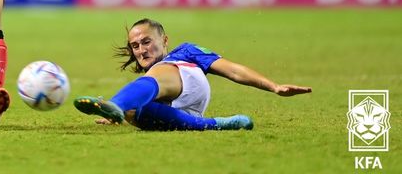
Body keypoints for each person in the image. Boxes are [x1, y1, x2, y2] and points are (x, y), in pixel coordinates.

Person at [74, 18, 312, 131]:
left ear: (164, 40)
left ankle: (115, 104)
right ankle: (217, 124)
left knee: (153, 77)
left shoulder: (184, 52)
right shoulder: (151, 74)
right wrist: (121, 113)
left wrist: (274, 86)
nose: (141, 50)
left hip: (188, 80)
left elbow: (232, 70)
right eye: (135, 46)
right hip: (180, 111)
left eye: (146, 41)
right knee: (136, 111)